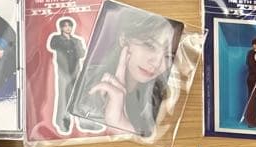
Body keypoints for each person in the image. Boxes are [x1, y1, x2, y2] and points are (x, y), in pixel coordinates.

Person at [73, 8, 180, 137]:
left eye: (169, 56)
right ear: (124, 38)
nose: (157, 63)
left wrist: (122, 125)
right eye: (150, 45)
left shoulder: (165, 103)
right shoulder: (82, 82)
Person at [48, 17, 87, 133]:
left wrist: (74, 44)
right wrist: (68, 42)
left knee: (78, 95)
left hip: (76, 70)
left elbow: (82, 54)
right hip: (63, 71)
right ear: (61, 28)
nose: (68, 28)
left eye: (69, 25)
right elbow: (53, 46)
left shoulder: (76, 40)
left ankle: (83, 122)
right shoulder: (56, 39)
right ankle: (63, 122)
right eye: (65, 26)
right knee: (64, 97)